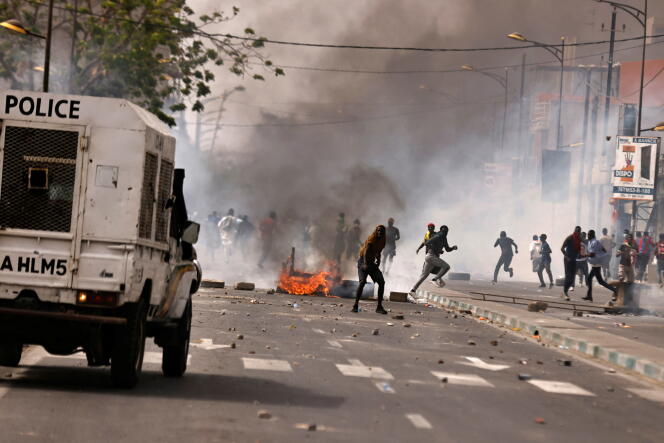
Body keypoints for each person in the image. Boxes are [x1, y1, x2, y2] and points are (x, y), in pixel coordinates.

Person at [409, 225, 458, 297]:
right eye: (443, 231)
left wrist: (453, 248)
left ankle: (413, 290)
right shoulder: (437, 235)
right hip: (431, 256)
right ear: (440, 230)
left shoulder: (444, 238)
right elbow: (427, 243)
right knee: (446, 267)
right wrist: (436, 250)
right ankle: (435, 279)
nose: (444, 232)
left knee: (424, 275)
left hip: (431, 258)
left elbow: (447, 249)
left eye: (446, 231)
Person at [352, 225, 387, 314]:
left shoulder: (383, 240)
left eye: (382, 231)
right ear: (376, 231)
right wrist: (366, 264)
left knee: (381, 282)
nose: (380, 232)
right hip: (363, 261)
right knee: (362, 282)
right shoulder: (372, 238)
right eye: (378, 231)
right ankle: (355, 305)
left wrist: (378, 261)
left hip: (371, 262)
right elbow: (366, 251)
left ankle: (379, 307)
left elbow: (379, 252)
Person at [584, 230, 617, 303]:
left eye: (589, 235)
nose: (588, 236)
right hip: (595, 263)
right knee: (590, 279)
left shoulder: (594, 242)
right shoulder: (591, 242)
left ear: (592, 235)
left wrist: (585, 255)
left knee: (600, 281)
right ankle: (589, 296)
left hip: (596, 264)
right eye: (588, 235)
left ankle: (615, 290)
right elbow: (603, 250)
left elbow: (592, 254)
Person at [561, 226, 582, 300]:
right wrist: (567, 257)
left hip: (574, 260)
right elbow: (562, 248)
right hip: (567, 260)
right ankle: (565, 293)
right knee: (568, 276)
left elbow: (579, 249)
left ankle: (566, 291)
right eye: (577, 231)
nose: (578, 233)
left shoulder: (579, 239)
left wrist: (579, 255)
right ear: (575, 231)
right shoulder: (569, 238)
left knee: (572, 277)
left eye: (579, 231)